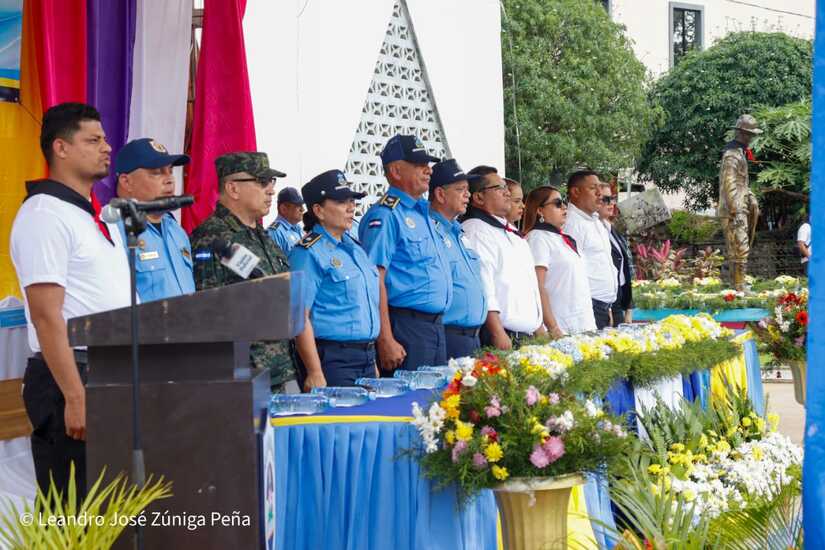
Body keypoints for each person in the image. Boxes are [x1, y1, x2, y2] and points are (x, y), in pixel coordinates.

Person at [10, 102, 131, 499]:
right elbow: (47, 317)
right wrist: (76, 395)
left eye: (106, 139)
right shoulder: (45, 214)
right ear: (60, 148)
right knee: (75, 517)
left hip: (108, 374)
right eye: (93, 140)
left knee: (110, 514)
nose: (107, 148)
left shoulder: (87, 216)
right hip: (72, 379)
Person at [190, 152, 296, 392]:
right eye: (261, 182)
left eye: (272, 183)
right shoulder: (214, 238)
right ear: (233, 188)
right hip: (242, 377)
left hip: (280, 371)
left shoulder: (263, 236)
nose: (270, 190)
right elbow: (207, 313)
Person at [358, 134, 452, 372]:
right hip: (406, 327)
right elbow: (374, 279)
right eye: (420, 165)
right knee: (410, 406)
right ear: (396, 171)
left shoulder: (424, 213)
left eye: (428, 165)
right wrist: (385, 338)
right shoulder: (386, 215)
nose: (428, 171)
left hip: (435, 328)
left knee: (436, 405)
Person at [288, 169, 380, 389]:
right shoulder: (308, 252)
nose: (351, 208)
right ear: (318, 210)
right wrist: (314, 370)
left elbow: (364, 307)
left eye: (352, 201)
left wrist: (372, 359)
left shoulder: (355, 249)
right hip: (333, 360)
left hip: (366, 357)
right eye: (341, 202)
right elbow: (299, 316)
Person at [461, 166, 543, 349]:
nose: (507, 193)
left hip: (526, 335)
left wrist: (539, 327)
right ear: (479, 197)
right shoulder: (476, 229)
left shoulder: (509, 231)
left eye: (506, 187)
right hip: (503, 335)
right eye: (499, 188)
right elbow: (484, 286)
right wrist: (497, 332)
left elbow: (530, 286)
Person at [113, 138, 195, 302]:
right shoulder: (113, 230)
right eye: (157, 173)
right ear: (126, 181)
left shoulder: (176, 230)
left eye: (170, 171)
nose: (169, 179)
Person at [428, 159, 488, 359]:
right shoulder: (430, 231)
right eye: (460, 189)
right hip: (449, 334)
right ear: (440, 194)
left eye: (468, 189)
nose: (468, 194)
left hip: (474, 335)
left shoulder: (458, 231)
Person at [523, 186, 596, 336]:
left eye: (564, 202)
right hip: (561, 328)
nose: (564, 206)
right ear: (540, 210)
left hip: (583, 323)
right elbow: (537, 286)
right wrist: (553, 327)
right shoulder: (538, 238)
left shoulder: (562, 237)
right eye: (557, 203)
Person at [563, 170, 617, 329]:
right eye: (594, 188)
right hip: (588, 307)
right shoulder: (572, 224)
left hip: (604, 307)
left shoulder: (595, 220)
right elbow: (572, 273)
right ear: (576, 192)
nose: (600, 193)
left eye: (600, 187)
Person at [719, 114, 761, 290]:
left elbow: (741, 182)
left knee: (738, 247)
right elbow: (729, 184)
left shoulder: (739, 153)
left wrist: (750, 196)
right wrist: (736, 211)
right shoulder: (732, 156)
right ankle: (739, 286)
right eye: (750, 135)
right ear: (743, 134)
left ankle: (736, 286)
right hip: (734, 209)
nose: (752, 139)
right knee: (739, 247)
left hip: (740, 205)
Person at [597, 181, 634, 326]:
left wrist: (629, 310)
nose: (611, 203)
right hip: (605, 304)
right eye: (606, 199)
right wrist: (609, 309)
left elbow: (627, 269)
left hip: (618, 300)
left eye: (612, 199)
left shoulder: (613, 230)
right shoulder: (592, 231)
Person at [267, 187, 305, 254]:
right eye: (298, 206)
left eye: (302, 205)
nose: (303, 209)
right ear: (283, 209)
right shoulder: (274, 233)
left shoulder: (298, 228)